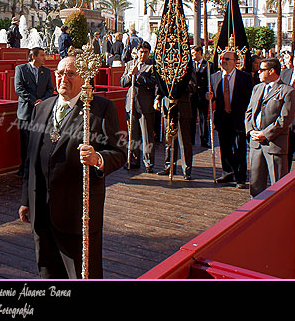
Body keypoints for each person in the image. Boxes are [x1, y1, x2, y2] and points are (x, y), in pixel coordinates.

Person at [18, 55, 125, 279]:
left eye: (70, 73)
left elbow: (119, 153)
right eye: (59, 73)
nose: (62, 78)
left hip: (77, 214)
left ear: (84, 77)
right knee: (47, 274)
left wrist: (98, 158)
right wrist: (27, 201)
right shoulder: (42, 108)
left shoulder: (100, 108)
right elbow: (31, 159)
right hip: (42, 212)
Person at [245, 57, 295, 197]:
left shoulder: (288, 91)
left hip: (275, 144)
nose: (258, 73)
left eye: (261, 70)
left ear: (271, 71)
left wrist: (265, 134)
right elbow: (249, 112)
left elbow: (284, 119)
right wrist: (251, 131)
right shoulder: (257, 88)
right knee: (255, 183)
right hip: (256, 143)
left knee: (278, 185)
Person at [206, 51, 252, 188]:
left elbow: (250, 98)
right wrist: (208, 96)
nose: (223, 61)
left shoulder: (245, 77)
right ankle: (227, 172)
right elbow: (210, 96)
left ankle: (240, 177)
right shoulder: (214, 77)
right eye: (222, 59)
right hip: (222, 118)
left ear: (235, 61)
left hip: (238, 118)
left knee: (239, 149)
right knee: (225, 148)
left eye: (227, 59)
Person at [14, 47, 55, 176]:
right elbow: (19, 88)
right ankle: (25, 168)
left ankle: (37, 167)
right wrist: (33, 101)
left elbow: (50, 89)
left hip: (41, 112)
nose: (44, 58)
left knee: (40, 140)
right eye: (42, 55)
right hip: (26, 111)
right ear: (33, 57)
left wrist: (42, 101)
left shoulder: (46, 72)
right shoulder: (21, 69)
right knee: (25, 141)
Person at [120, 41, 156, 171]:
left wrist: (138, 75)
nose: (143, 55)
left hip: (145, 105)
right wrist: (130, 75)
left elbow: (152, 83)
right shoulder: (130, 64)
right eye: (141, 52)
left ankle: (148, 163)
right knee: (132, 135)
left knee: (146, 136)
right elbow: (122, 82)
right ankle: (133, 160)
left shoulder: (152, 66)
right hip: (131, 104)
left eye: (146, 52)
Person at [154, 71, 196, 180]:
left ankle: (186, 169)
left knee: (184, 140)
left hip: (182, 106)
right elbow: (161, 84)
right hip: (168, 105)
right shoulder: (166, 67)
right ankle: (169, 166)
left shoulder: (187, 66)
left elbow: (193, 86)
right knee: (169, 138)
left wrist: (178, 86)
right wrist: (158, 98)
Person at [190, 46, 213, 148]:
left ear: (199, 52)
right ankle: (191, 140)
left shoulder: (208, 65)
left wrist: (209, 91)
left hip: (203, 95)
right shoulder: (189, 65)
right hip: (192, 95)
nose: (192, 55)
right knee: (191, 118)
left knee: (203, 118)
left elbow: (211, 80)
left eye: (194, 53)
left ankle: (204, 140)